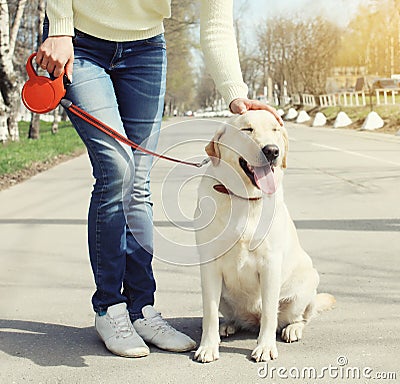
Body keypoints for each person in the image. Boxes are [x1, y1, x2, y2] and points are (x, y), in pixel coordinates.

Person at [37, 0, 283, 358]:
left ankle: (140, 310)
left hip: (145, 49)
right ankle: (109, 307)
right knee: (117, 169)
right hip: (80, 41)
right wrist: (59, 26)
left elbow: (215, 26)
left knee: (138, 181)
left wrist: (237, 96)